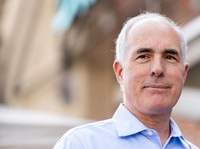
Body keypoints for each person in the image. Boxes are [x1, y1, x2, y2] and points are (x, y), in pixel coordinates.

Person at [53, 12, 199, 149]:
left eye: (169, 57)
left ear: (184, 73)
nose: (158, 69)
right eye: (144, 56)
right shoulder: (80, 144)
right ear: (120, 72)